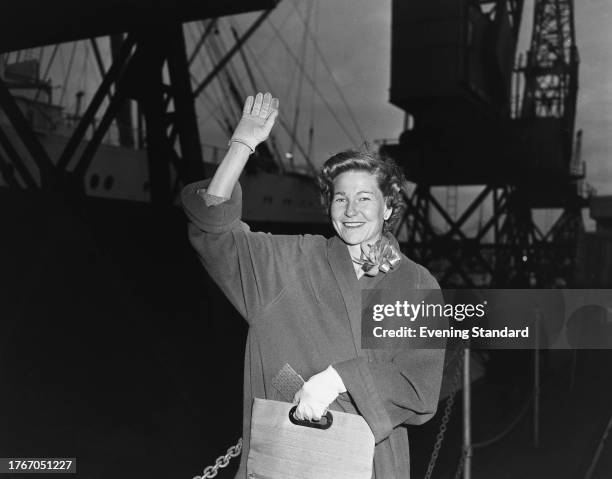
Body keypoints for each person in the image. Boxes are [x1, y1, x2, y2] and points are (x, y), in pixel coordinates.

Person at [181, 92, 445, 479]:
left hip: (370, 468)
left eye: (364, 198)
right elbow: (215, 234)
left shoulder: (417, 283)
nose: (351, 211)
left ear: (388, 207)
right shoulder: (291, 262)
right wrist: (241, 147)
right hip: (282, 463)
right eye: (340, 199)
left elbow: (419, 388)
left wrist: (339, 378)